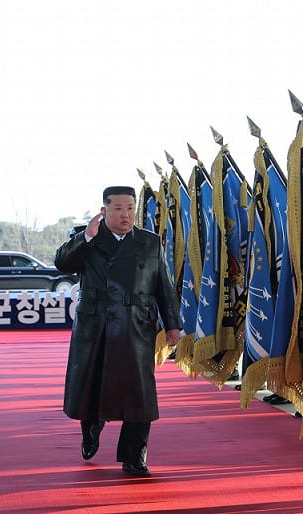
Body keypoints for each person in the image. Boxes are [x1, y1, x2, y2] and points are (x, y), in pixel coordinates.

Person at [54, 186, 181, 477]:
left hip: (136, 325)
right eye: (118, 209)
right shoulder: (87, 238)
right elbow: (62, 263)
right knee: (91, 384)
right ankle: (91, 429)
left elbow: (163, 285)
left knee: (139, 393)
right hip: (95, 324)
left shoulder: (149, 242)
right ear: (105, 210)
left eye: (130, 209)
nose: (125, 215)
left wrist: (172, 324)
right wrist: (85, 237)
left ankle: (134, 456)